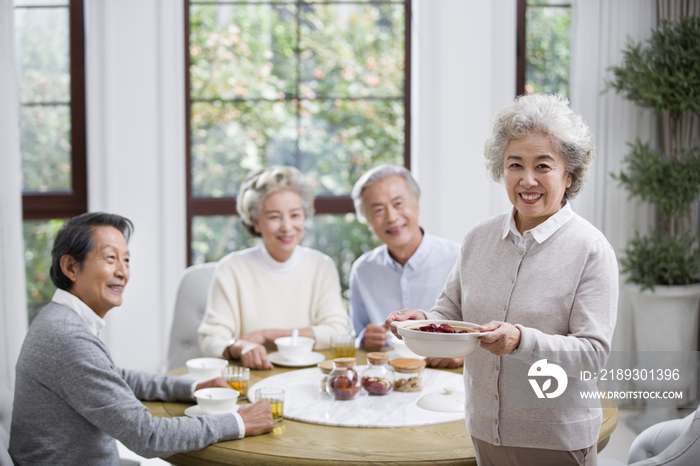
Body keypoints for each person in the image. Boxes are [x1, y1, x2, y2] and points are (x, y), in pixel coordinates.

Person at [387, 94, 618, 466]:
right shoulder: (479, 237)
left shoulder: (590, 249)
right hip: (484, 431)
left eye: (543, 166)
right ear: (502, 169)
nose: (528, 180)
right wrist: (421, 324)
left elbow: (592, 356)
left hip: (556, 440)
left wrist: (520, 341)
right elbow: (448, 313)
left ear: (568, 174)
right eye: (515, 165)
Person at [9, 213, 274, 466]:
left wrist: (192, 388)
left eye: (126, 260)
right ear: (71, 267)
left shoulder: (59, 320)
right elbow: (147, 436)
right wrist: (238, 421)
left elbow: (115, 375)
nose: (123, 271)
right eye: (110, 258)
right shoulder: (68, 338)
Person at [198, 166, 349, 370]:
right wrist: (239, 347)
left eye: (295, 215)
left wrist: (270, 335)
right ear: (256, 222)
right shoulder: (231, 268)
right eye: (274, 217)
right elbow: (211, 339)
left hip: (309, 376)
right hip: (252, 376)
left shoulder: (321, 265)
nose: (287, 226)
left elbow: (337, 331)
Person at [349, 165, 460, 367]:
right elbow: (356, 336)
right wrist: (365, 338)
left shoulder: (459, 258)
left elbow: (484, 330)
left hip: (447, 378)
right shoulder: (362, 270)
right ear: (367, 220)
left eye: (398, 203)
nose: (391, 217)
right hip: (386, 378)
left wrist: (461, 354)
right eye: (378, 210)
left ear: (416, 204)